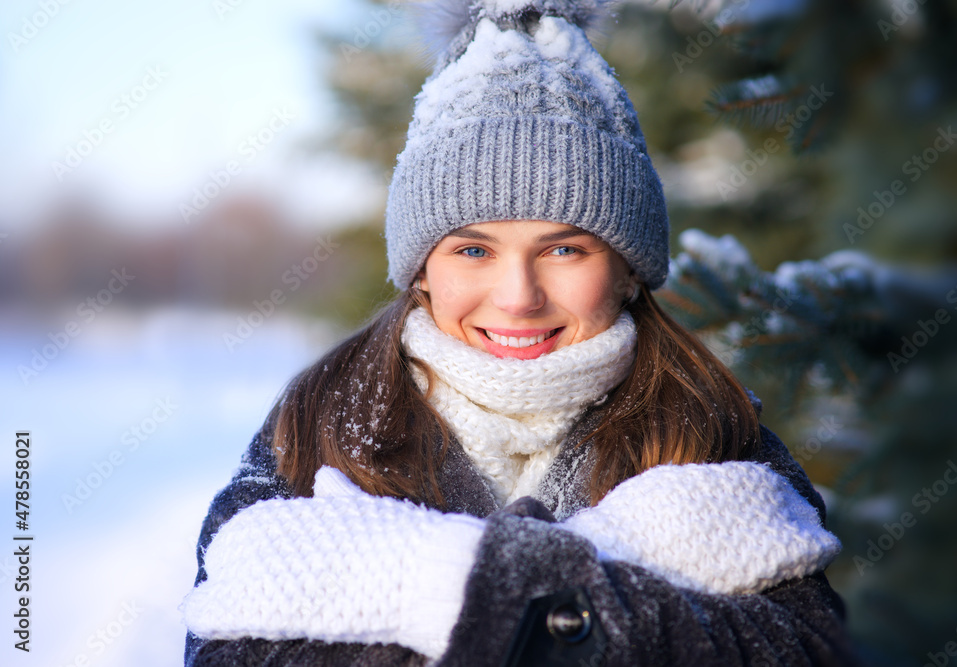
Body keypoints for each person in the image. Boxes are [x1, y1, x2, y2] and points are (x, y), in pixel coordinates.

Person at [181, 1, 857, 664]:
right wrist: (577, 591)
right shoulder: (320, 423)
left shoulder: (710, 426)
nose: (518, 298)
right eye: (472, 251)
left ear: (627, 270)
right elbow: (222, 650)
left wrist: (450, 591)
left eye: (564, 250)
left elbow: (807, 647)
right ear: (420, 271)